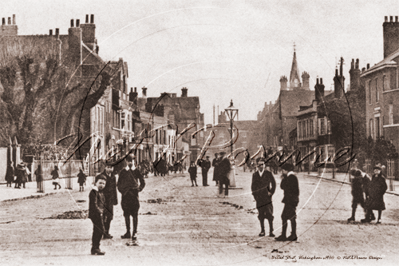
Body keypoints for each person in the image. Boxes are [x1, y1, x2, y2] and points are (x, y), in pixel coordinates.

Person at [118, 155, 145, 241]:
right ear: (126, 161)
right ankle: (128, 232)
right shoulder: (122, 172)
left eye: (131, 160)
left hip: (134, 196)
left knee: (135, 214)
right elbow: (118, 184)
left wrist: (139, 189)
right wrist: (122, 191)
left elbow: (142, 182)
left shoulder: (136, 171)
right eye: (128, 161)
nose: (130, 162)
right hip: (125, 196)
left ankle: (134, 232)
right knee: (126, 214)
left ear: (134, 161)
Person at [251, 159, 276, 237]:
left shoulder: (268, 173)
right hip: (259, 198)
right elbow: (253, 186)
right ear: (257, 166)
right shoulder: (255, 175)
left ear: (264, 165)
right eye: (259, 165)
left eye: (262, 164)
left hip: (267, 197)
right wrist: (255, 195)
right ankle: (262, 230)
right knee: (261, 214)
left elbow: (274, 183)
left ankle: (271, 231)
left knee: (269, 214)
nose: (261, 166)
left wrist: (271, 192)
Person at [276, 163, 299, 241]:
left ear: (286, 170)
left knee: (286, 217)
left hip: (290, 201)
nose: (282, 172)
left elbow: (283, 186)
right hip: (291, 201)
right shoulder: (292, 177)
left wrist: (283, 178)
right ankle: (292, 235)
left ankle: (287, 235)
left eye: (283, 170)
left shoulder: (290, 177)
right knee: (288, 217)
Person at [88, 174, 107, 255]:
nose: (102, 185)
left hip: (99, 213)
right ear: (95, 183)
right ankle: (96, 247)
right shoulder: (94, 192)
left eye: (103, 183)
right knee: (100, 230)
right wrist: (100, 212)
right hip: (95, 214)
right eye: (100, 183)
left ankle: (95, 248)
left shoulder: (100, 192)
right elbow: (94, 204)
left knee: (97, 230)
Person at [102, 162, 118, 239]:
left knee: (110, 217)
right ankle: (102, 232)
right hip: (103, 200)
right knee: (103, 216)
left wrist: (115, 200)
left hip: (110, 201)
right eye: (108, 167)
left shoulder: (113, 177)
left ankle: (107, 232)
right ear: (105, 168)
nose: (110, 169)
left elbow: (114, 189)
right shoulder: (101, 176)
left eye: (111, 167)